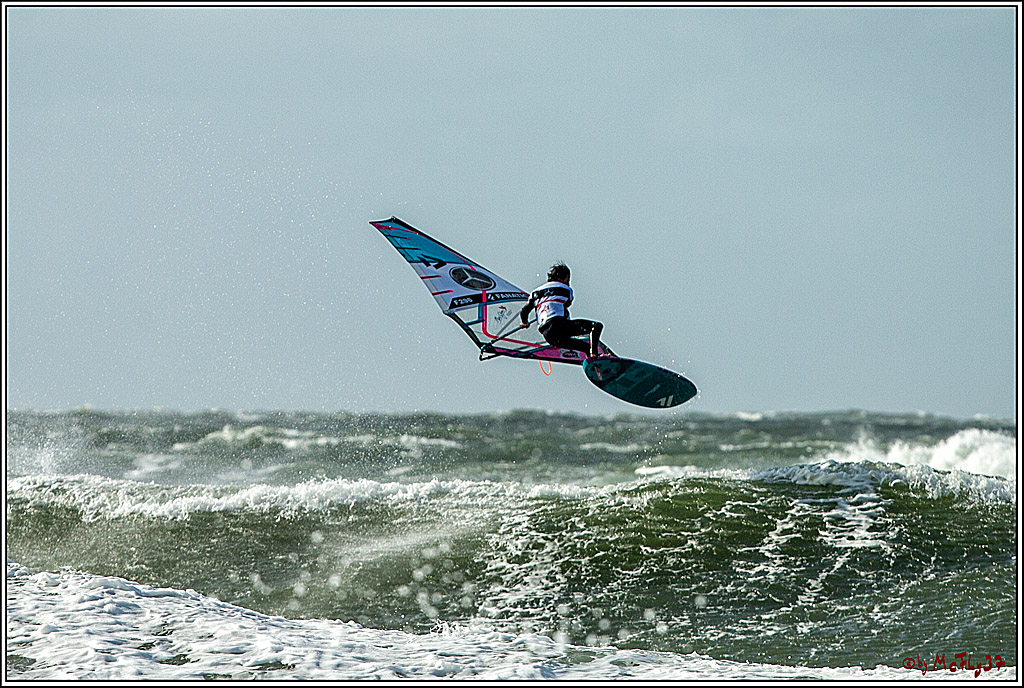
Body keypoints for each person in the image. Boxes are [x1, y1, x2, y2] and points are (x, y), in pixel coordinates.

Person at [519, 262, 604, 358]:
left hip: (548, 335)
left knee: (585, 347)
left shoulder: (534, 293)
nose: (568, 283)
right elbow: (568, 303)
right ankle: (594, 355)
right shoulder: (566, 289)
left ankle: (595, 366)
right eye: (568, 280)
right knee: (596, 326)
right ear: (560, 278)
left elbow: (524, 311)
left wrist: (524, 322)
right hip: (559, 327)